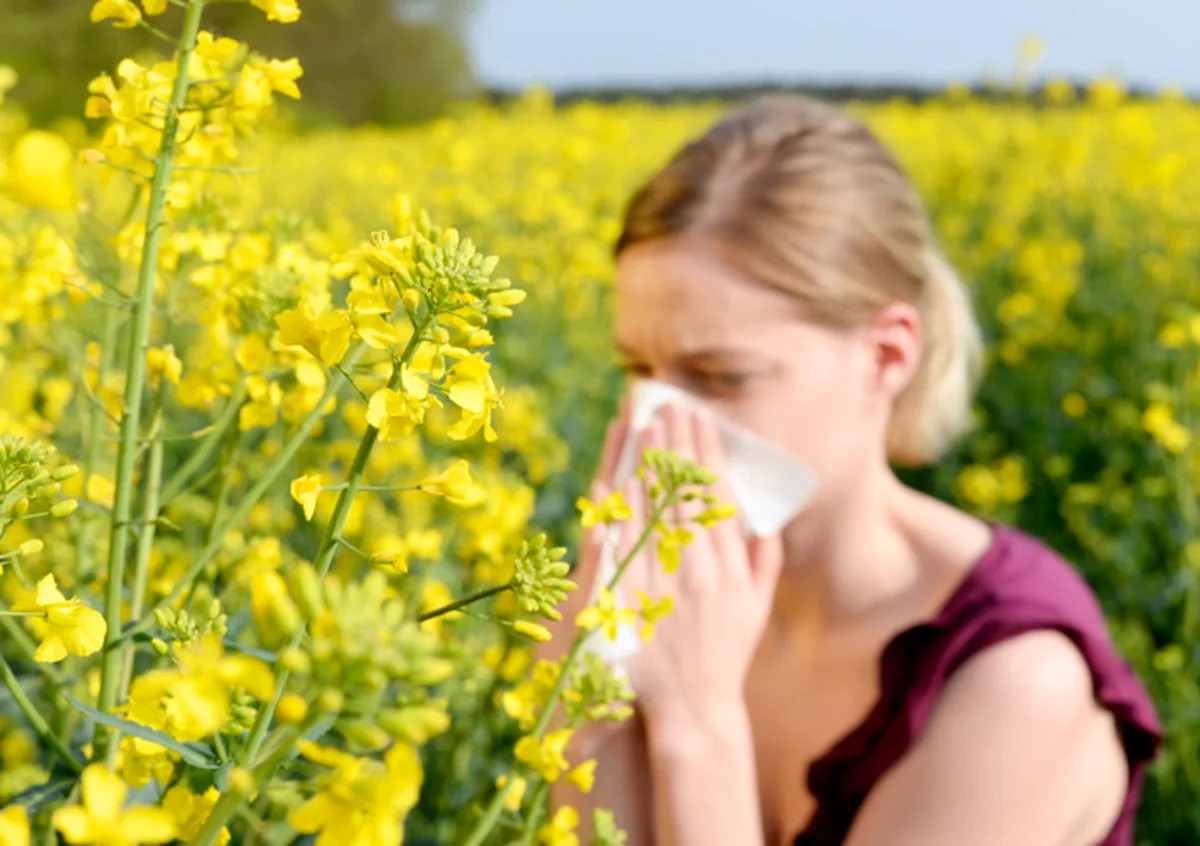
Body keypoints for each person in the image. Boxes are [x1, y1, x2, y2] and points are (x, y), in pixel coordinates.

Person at [539, 94, 1162, 846]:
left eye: (721, 376)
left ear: (886, 357)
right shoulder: (678, 601)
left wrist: (697, 727)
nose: (660, 425)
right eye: (638, 368)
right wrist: (587, 702)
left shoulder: (1012, 679)